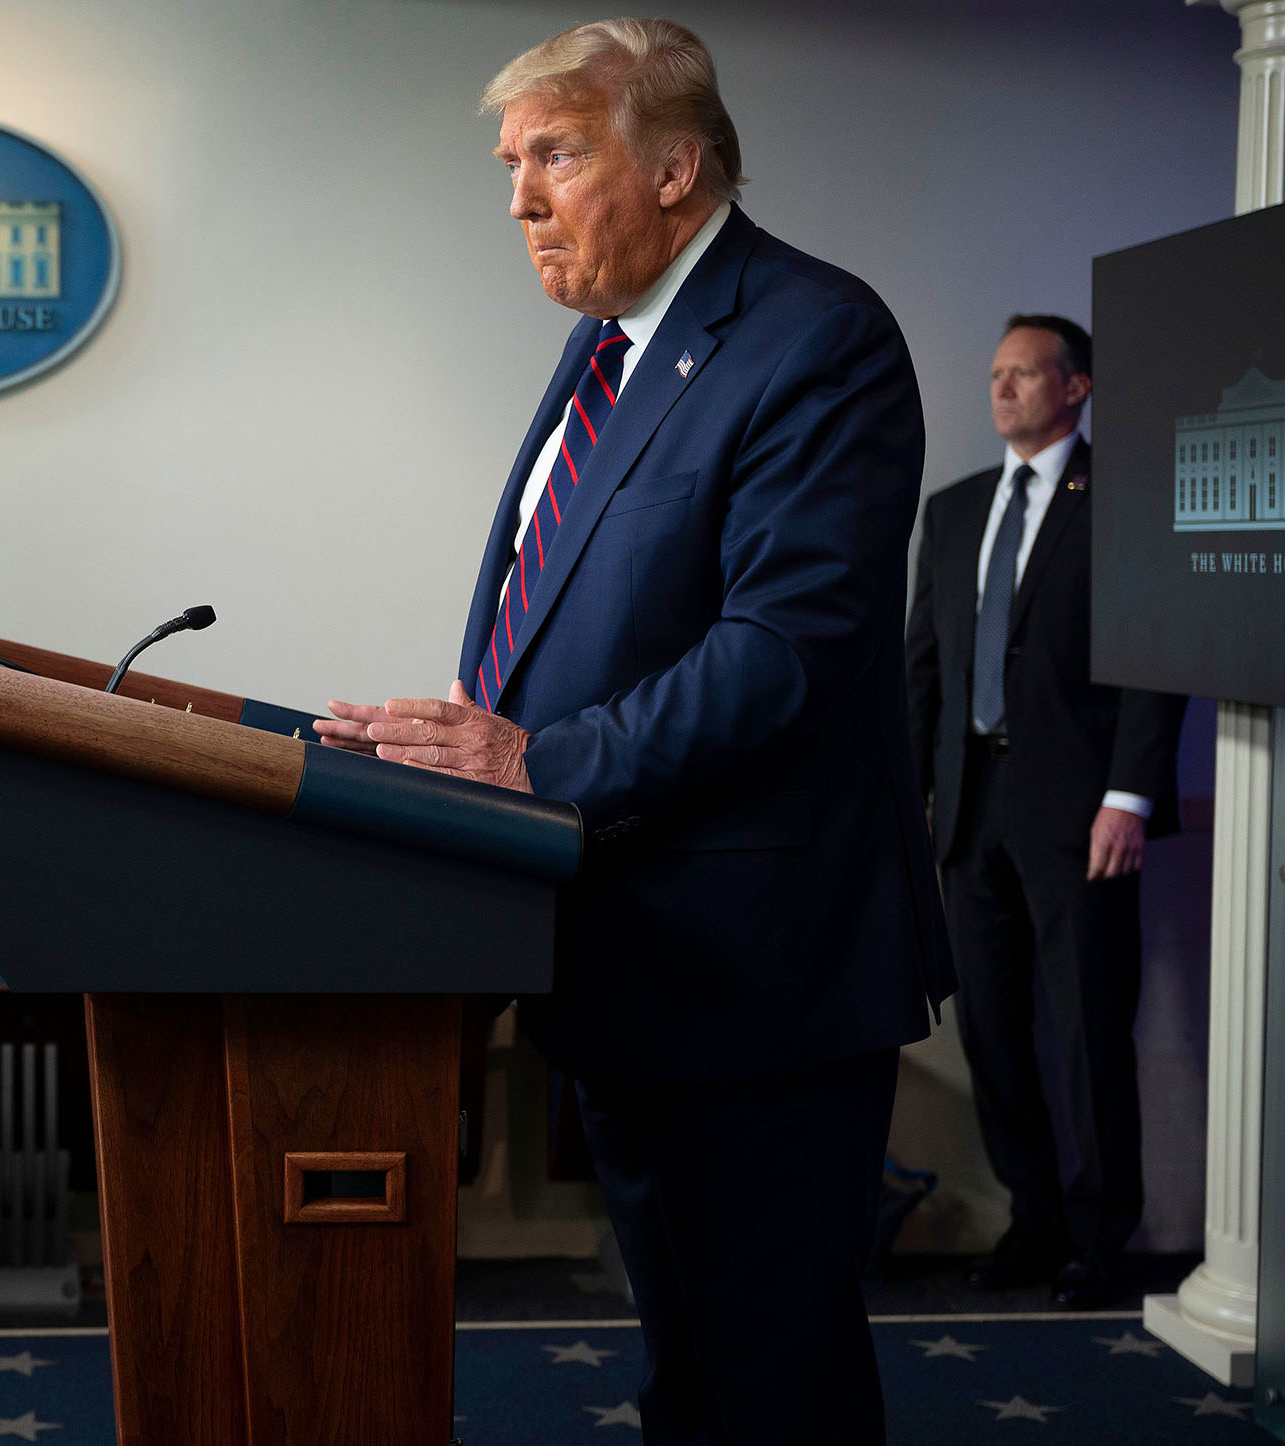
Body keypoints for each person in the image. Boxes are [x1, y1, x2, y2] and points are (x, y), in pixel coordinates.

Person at [314, 19, 951, 1443]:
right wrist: (470, 752)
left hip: (758, 979)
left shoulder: (814, 337)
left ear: (676, 165)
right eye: (512, 164)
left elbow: (786, 652)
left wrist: (531, 763)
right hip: (628, 956)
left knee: (774, 1381)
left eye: (555, 154)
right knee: (690, 1370)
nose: (523, 197)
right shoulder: (612, 344)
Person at [906, 317, 1184, 1309]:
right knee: (990, 1030)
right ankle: (1035, 1221)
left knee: (1087, 1033)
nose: (1004, 389)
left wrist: (1130, 797)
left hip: (1080, 814)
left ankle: (1104, 1244)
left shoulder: (1125, 502)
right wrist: (912, 802)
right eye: (995, 374)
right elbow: (920, 678)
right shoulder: (951, 512)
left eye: (1024, 374)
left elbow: (1157, 658)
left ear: (1078, 388)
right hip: (969, 815)